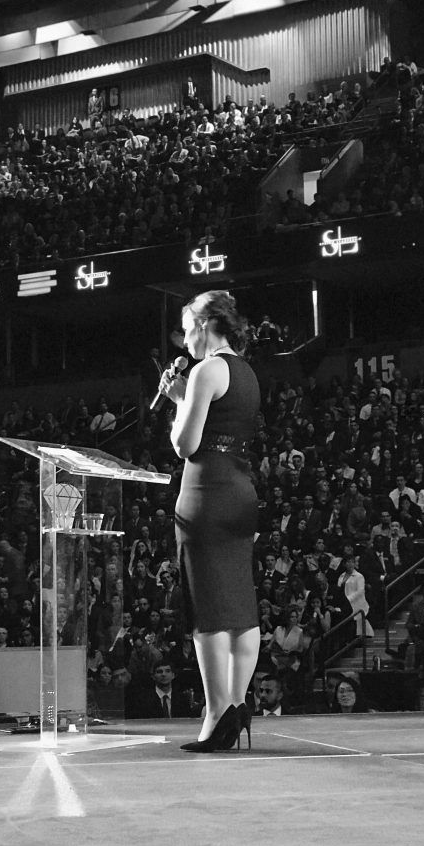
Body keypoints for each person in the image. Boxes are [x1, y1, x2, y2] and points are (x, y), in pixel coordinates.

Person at [161, 290, 260, 753]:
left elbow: (185, 444)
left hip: (207, 493)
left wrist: (179, 399)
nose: (184, 342)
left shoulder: (205, 370)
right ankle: (236, 705)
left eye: (186, 330)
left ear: (203, 325)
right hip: (241, 492)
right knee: (241, 606)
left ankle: (216, 712)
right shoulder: (246, 372)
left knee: (210, 608)